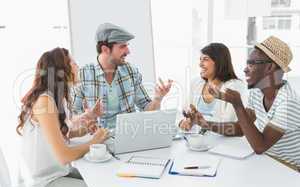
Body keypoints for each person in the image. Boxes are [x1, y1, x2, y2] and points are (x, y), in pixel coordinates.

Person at [186, 36, 300, 171]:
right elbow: (240, 129)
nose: (245, 69)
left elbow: (260, 146)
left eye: (251, 64)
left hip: (289, 169)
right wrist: (205, 124)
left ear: (270, 67)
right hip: (267, 161)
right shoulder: (257, 93)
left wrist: (237, 105)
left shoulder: (288, 102)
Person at [16, 47, 108, 187]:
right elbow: (64, 156)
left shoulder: (55, 99)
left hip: (55, 175)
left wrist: (87, 126)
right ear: (62, 69)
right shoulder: (45, 101)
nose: (78, 66)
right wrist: (94, 142)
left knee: (101, 179)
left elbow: (63, 134)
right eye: (73, 63)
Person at [71, 23, 172, 129]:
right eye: (122, 46)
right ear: (105, 49)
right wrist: (88, 118)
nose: (128, 51)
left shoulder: (131, 71)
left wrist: (157, 98)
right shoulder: (83, 75)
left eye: (127, 46)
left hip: (130, 136)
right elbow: (72, 117)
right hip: (98, 140)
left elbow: (147, 110)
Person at [178, 43, 247, 134]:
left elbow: (230, 124)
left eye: (205, 59)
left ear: (219, 62)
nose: (200, 64)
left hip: (224, 143)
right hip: (197, 140)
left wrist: (198, 122)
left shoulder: (234, 86)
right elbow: (184, 111)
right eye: (200, 59)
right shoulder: (196, 83)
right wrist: (183, 122)